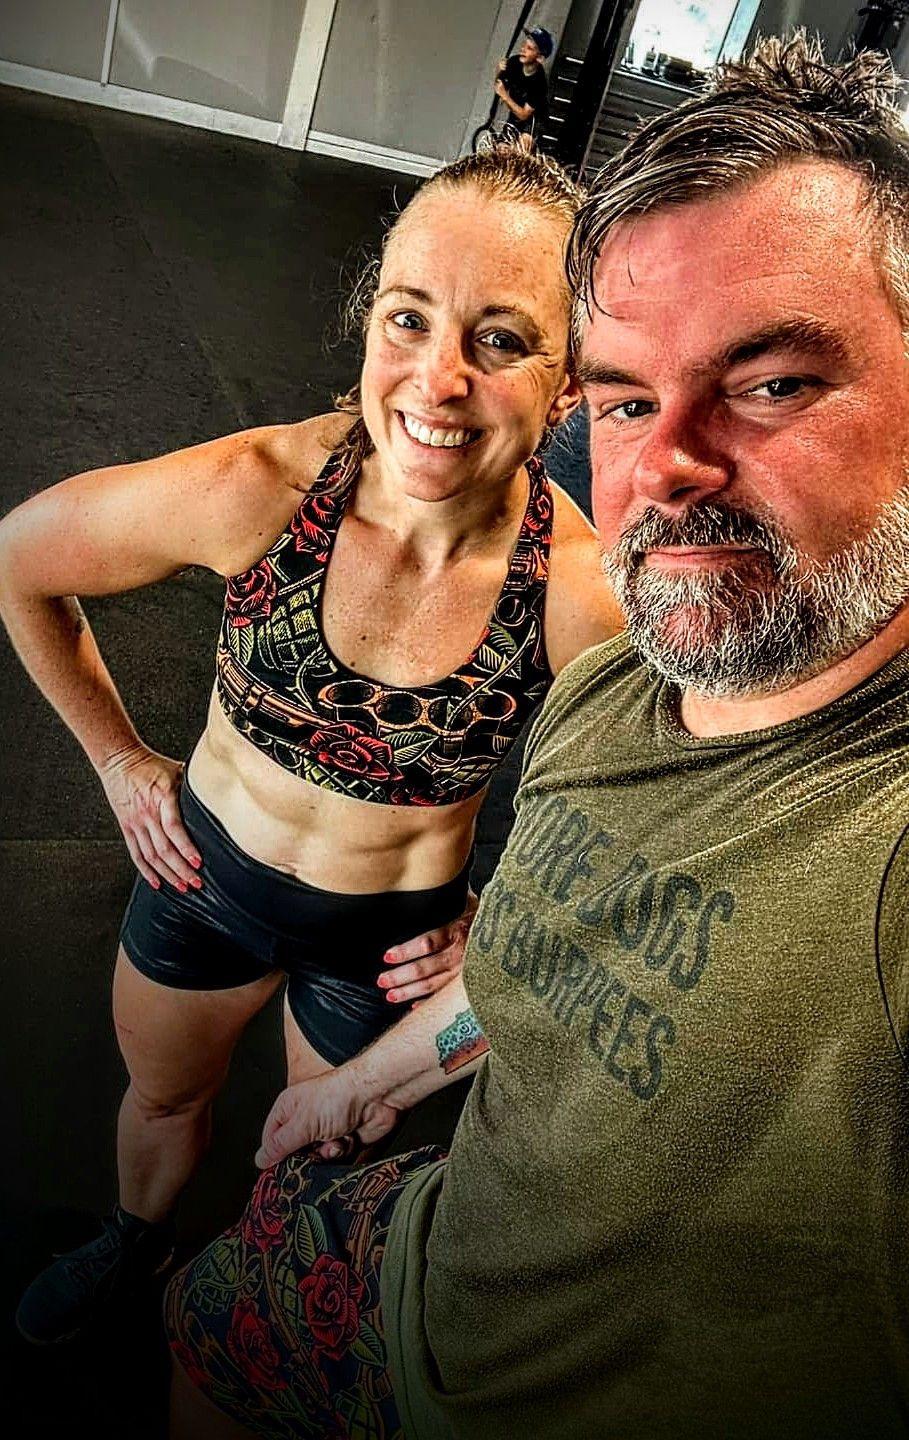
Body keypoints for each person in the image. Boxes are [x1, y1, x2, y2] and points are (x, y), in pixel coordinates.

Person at [164, 31, 909, 1440]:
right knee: (203, 1316)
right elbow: (543, 955)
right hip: (418, 1268)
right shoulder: (609, 691)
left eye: (773, 383)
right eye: (629, 397)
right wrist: (367, 1086)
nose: (668, 464)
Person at [0, 143, 621, 1347]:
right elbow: (20, 562)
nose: (436, 381)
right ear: (369, 321)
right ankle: (134, 1252)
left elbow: (663, 819)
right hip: (202, 885)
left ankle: (251, 1321)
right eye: (408, 319)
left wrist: (508, 918)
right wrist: (122, 760)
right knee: (165, 1100)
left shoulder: (584, 593)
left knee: (309, 1178)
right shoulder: (266, 490)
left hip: (388, 948)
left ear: (572, 384)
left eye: (501, 339)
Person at [494, 26, 553, 149]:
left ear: (540, 58)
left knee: (521, 149)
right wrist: (499, 72)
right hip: (515, 115)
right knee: (501, 150)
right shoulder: (514, 62)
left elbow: (524, 115)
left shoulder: (539, 83)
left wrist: (505, 96)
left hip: (532, 120)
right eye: (524, 45)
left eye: (529, 48)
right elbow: (499, 86)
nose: (523, 49)